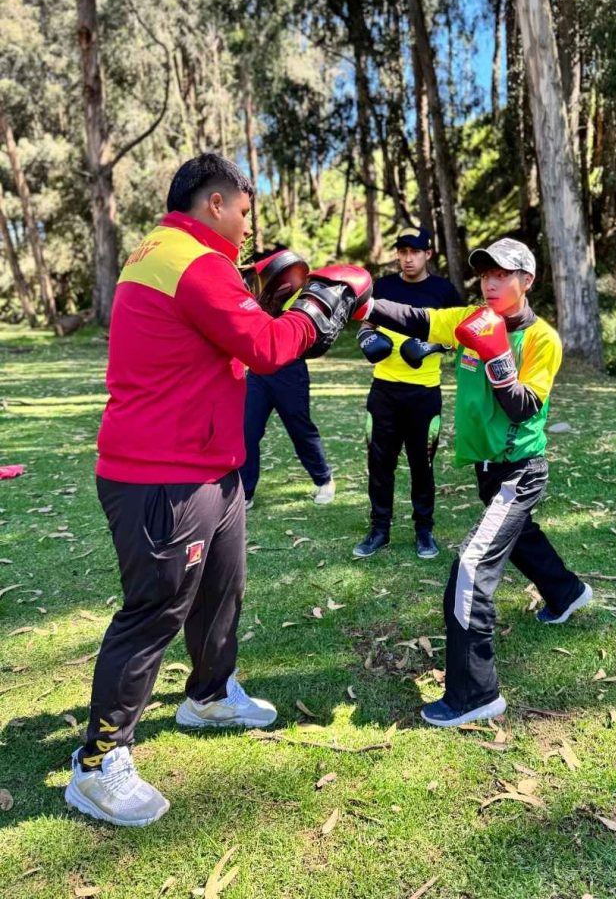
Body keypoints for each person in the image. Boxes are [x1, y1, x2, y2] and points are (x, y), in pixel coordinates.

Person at [65, 153, 371, 827]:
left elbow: (217, 336)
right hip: (162, 472)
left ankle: (207, 694)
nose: (246, 224)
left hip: (208, 463)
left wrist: (262, 298)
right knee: (155, 610)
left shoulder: (169, 254)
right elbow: (266, 348)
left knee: (221, 587)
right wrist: (321, 305)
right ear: (215, 203)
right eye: (243, 210)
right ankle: (97, 763)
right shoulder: (192, 262)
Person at [356, 238, 592, 727]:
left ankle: (475, 693)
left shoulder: (543, 338)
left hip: (519, 471)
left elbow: (524, 407)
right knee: (520, 536)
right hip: (486, 468)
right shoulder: (470, 317)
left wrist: (497, 356)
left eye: (501, 275)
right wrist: (363, 304)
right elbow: (418, 319)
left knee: (471, 568)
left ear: (527, 281)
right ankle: (566, 592)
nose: (490, 283)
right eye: (485, 274)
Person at [354, 227, 461, 559]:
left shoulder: (443, 291)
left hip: (424, 393)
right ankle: (379, 529)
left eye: (414, 252)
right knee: (379, 463)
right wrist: (367, 339)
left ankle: (424, 531)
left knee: (422, 464)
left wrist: (432, 346)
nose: (408, 258)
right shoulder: (382, 287)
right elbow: (366, 323)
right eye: (402, 252)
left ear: (428, 254)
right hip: (384, 391)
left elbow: (459, 333)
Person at [240, 247, 335, 510]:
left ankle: (324, 479)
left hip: (290, 371)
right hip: (259, 370)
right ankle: (245, 492)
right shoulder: (255, 294)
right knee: (247, 431)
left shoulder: (300, 293)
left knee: (299, 429)